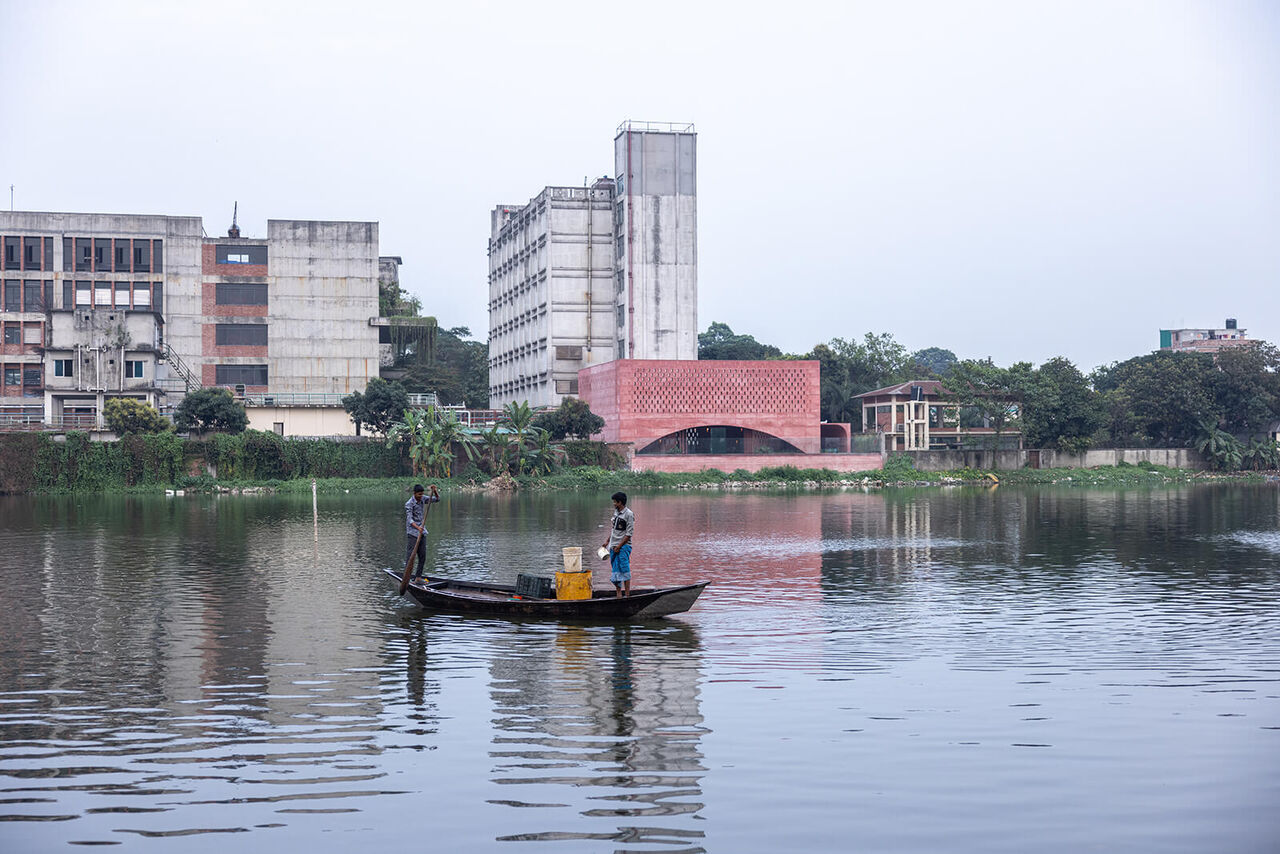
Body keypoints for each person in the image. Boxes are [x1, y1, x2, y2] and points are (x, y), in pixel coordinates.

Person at [602, 491, 634, 598]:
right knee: (616, 571)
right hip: (613, 546)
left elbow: (629, 534)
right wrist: (607, 541)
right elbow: (614, 530)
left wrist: (619, 546)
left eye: (615, 502)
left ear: (620, 502)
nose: (614, 504)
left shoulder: (629, 514)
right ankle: (619, 594)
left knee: (624, 569)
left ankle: (627, 595)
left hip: (624, 547)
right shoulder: (616, 513)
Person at [405, 483, 440, 581]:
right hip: (413, 533)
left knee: (422, 556)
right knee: (410, 557)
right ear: (414, 493)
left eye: (422, 494)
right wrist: (418, 528)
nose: (421, 496)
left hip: (422, 532)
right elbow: (409, 520)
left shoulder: (423, 499)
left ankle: (418, 577)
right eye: (419, 494)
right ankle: (406, 577)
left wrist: (435, 491)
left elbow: (437, 499)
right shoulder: (409, 503)